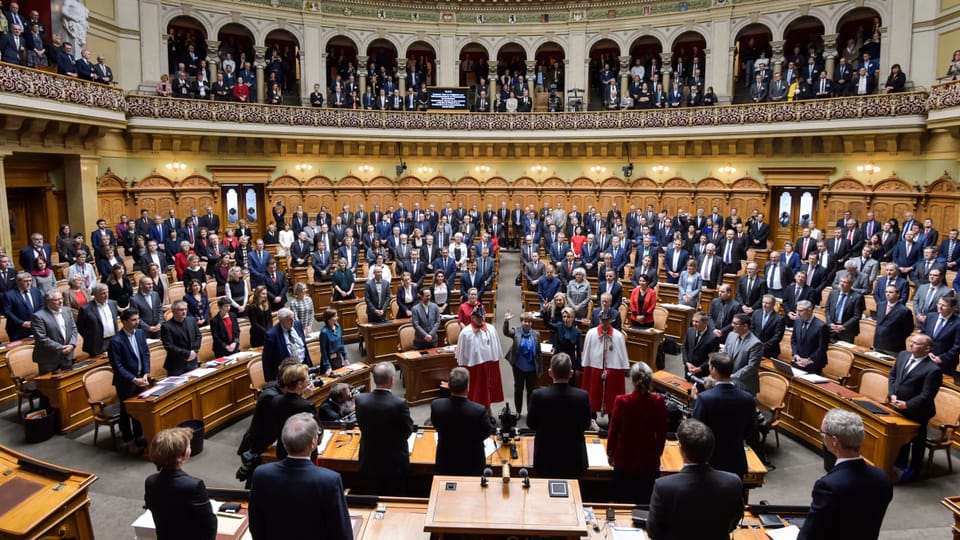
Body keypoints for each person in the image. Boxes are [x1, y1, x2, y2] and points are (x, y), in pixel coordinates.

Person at [249, 413, 353, 540]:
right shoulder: (329, 480)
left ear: (283, 440)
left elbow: (256, 525)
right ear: (314, 443)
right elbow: (342, 532)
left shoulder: (261, 474)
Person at [797, 409, 893, 540]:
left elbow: (809, 536)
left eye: (823, 433)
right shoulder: (883, 478)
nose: (822, 436)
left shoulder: (828, 486)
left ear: (835, 441)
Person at [647, 419, 744, 540]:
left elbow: (654, 532)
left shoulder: (664, 486)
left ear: (681, 449)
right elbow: (733, 523)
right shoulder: (733, 482)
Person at [607, 362, 667, 505]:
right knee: (645, 502)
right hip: (649, 460)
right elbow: (662, 432)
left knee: (623, 502)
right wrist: (657, 452)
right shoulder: (659, 401)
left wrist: (610, 453)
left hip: (624, 459)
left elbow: (613, 430)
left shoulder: (622, 401)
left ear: (632, 381)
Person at [144, 427, 217, 540]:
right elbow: (208, 525)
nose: (190, 446)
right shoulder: (194, 486)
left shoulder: (150, 482)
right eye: (188, 446)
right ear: (179, 457)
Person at [527, 353, 592, 479]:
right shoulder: (582, 396)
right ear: (571, 373)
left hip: (546, 459)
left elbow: (531, 424)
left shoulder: (538, 396)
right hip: (574, 460)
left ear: (550, 372)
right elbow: (586, 424)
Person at [888, 334, 942, 483]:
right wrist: (892, 393)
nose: (911, 345)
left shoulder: (933, 370)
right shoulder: (903, 355)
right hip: (898, 405)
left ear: (927, 348)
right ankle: (899, 465)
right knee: (901, 438)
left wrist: (908, 404)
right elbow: (893, 376)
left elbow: (927, 395)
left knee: (917, 442)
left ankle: (915, 472)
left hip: (918, 412)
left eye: (916, 344)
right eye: (911, 342)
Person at [692, 352, 757, 477]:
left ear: (714, 370)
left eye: (710, 366)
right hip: (736, 461)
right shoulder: (748, 399)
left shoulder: (704, 399)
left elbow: (696, 430)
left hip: (710, 461)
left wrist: (695, 400)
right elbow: (751, 431)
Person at [356, 362, 415, 496]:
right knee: (394, 497)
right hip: (394, 462)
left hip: (369, 458)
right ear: (392, 380)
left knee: (371, 496)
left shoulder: (360, 399)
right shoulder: (399, 404)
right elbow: (407, 430)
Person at [429, 367, 492, 476]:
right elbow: (486, 433)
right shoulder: (479, 411)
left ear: (448, 386)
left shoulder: (437, 406)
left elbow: (436, 424)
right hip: (472, 462)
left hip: (446, 460)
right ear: (468, 387)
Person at [109, 309, 151, 453]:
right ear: (124, 321)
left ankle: (139, 435)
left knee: (139, 410)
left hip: (141, 377)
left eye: (138, 319)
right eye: (133, 320)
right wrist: (134, 379)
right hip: (126, 383)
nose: (137, 322)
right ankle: (128, 440)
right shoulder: (116, 341)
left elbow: (145, 353)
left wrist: (145, 373)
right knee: (126, 412)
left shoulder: (139, 333)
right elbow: (117, 367)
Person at [581, 309, 629, 415]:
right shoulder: (591, 333)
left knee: (612, 395)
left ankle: (613, 418)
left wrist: (623, 366)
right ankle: (591, 418)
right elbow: (587, 353)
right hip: (594, 367)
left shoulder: (618, 336)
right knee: (593, 393)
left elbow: (622, 355)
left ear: (611, 320)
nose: (604, 323)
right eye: (602, 320)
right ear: (599, 320)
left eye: (607, 320)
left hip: (613, 368)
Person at [455, 306, 504, 408]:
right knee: (476, 389)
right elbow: (462, 352)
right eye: (478, 317)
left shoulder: (491, 329)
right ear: (472, 318)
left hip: (488, 363)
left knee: (488, 388)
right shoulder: (465, 332)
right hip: (473, 366)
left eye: (482, 317)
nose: (481, 320)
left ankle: (487, 408)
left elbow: (495, 347)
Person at [270, 363, 317, 459]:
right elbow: (316, 433)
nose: (309, 381)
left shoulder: (275, 400)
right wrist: (304, 399)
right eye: (307, 379)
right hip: (304, 454)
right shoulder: (307, 406)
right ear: (299, 384)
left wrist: (302, 397)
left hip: (282, 451)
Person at [502, 310, 542, 416]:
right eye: (525, 321)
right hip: (518, 367)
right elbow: (506, 332)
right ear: (521, 322)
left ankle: (530, 411)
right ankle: (518, 411)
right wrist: (506, 321)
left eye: (529, 321)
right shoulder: (516, 332)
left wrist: (540, 369)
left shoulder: (536, 334)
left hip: (532, 368)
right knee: (518, 390)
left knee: (531, 391)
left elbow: (538, 353)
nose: (527, 323)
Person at [31, 290, 78, 374]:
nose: (60, 301)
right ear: (48, 302)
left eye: (61, 298)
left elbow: (74, 329)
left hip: (67, 355)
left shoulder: (67, 311)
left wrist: (72, 344)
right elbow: (41, 338)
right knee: (50, 385)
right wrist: (61, 348)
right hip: (49, 359)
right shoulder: (38, 316)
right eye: (56, 300)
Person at [262, 308, 312, 382]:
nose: (292, 322)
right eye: (289, 320)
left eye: (293, 318)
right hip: (287, 374)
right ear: (281, 321)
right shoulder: (272, 335)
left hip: (302, 366)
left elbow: (303, 347)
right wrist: (270, 381)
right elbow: (267, 360)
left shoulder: (297, 324)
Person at [724, 313, 763, 395]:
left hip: (744, 385)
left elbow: (751, 367)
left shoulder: (755, 343)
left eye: (735, 324)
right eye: (732, 323)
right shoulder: (731, 335)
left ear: (745, 326)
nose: (732, 325)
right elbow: (724, 354)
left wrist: (732, 377)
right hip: (728, 380)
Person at [76, 283, 119, 357]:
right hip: (97, 344)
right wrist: (92, 337)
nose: (106, 295)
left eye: (107, 292)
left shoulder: (113, 303)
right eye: (103, 293)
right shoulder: (86, 309)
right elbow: (80, 327)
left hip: (113, 340)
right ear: (95, 294)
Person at [160, 301, 201, 376]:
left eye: (185, 309)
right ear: (173, 311)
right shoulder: (167, 326)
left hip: (192, 361)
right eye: (181, 310)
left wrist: (195, 351)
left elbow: (198, 336)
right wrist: (187, 354)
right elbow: (169, 346)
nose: (184, 312)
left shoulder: (192, 320)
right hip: (176, 365)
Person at [791, 300, 830, 373]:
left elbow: (822, 348)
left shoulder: (821, 326)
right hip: (798, 361)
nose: (797, 314)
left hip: (813, 365)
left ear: (809, 310)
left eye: (800, 311)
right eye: (797, 310)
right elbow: (794, 340)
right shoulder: (797, 321)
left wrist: (809, 360)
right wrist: (796, 355)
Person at [319, 308, 347, 373]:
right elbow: (323, 352)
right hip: (328, 360)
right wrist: (328, 366)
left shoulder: (338, 326)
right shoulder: (324, 332)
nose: (337, 318)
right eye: (335, 316)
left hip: (337, 357)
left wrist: (345, 358)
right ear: (329, 319)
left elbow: (341, 343)